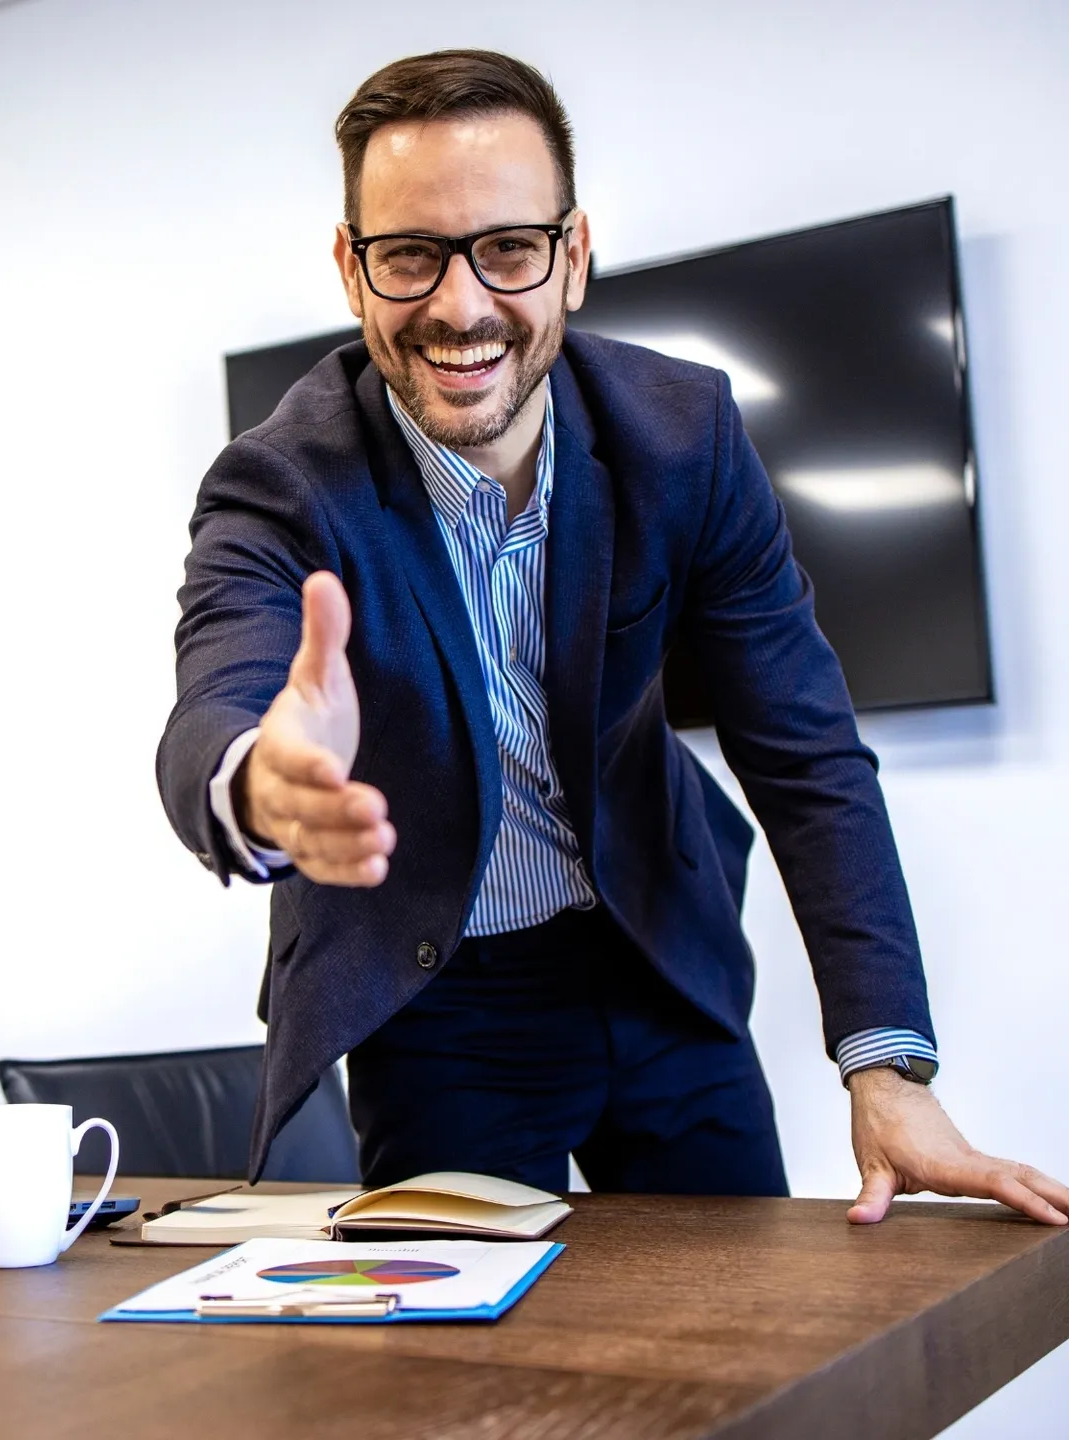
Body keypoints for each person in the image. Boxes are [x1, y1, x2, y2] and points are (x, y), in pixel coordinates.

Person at [158, 48, 1068, 1223]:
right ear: (352, 267)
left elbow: (805, 753)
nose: (462, 304)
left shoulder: (683, 438)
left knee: (747, 1346)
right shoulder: (279, 484)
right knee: (471, 1390)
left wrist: (886, 1067)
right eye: (409, 255)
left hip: (658, 956)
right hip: (443, 1005)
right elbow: (213, 705)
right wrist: (260, 790)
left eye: (509, 248)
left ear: (572, 255)